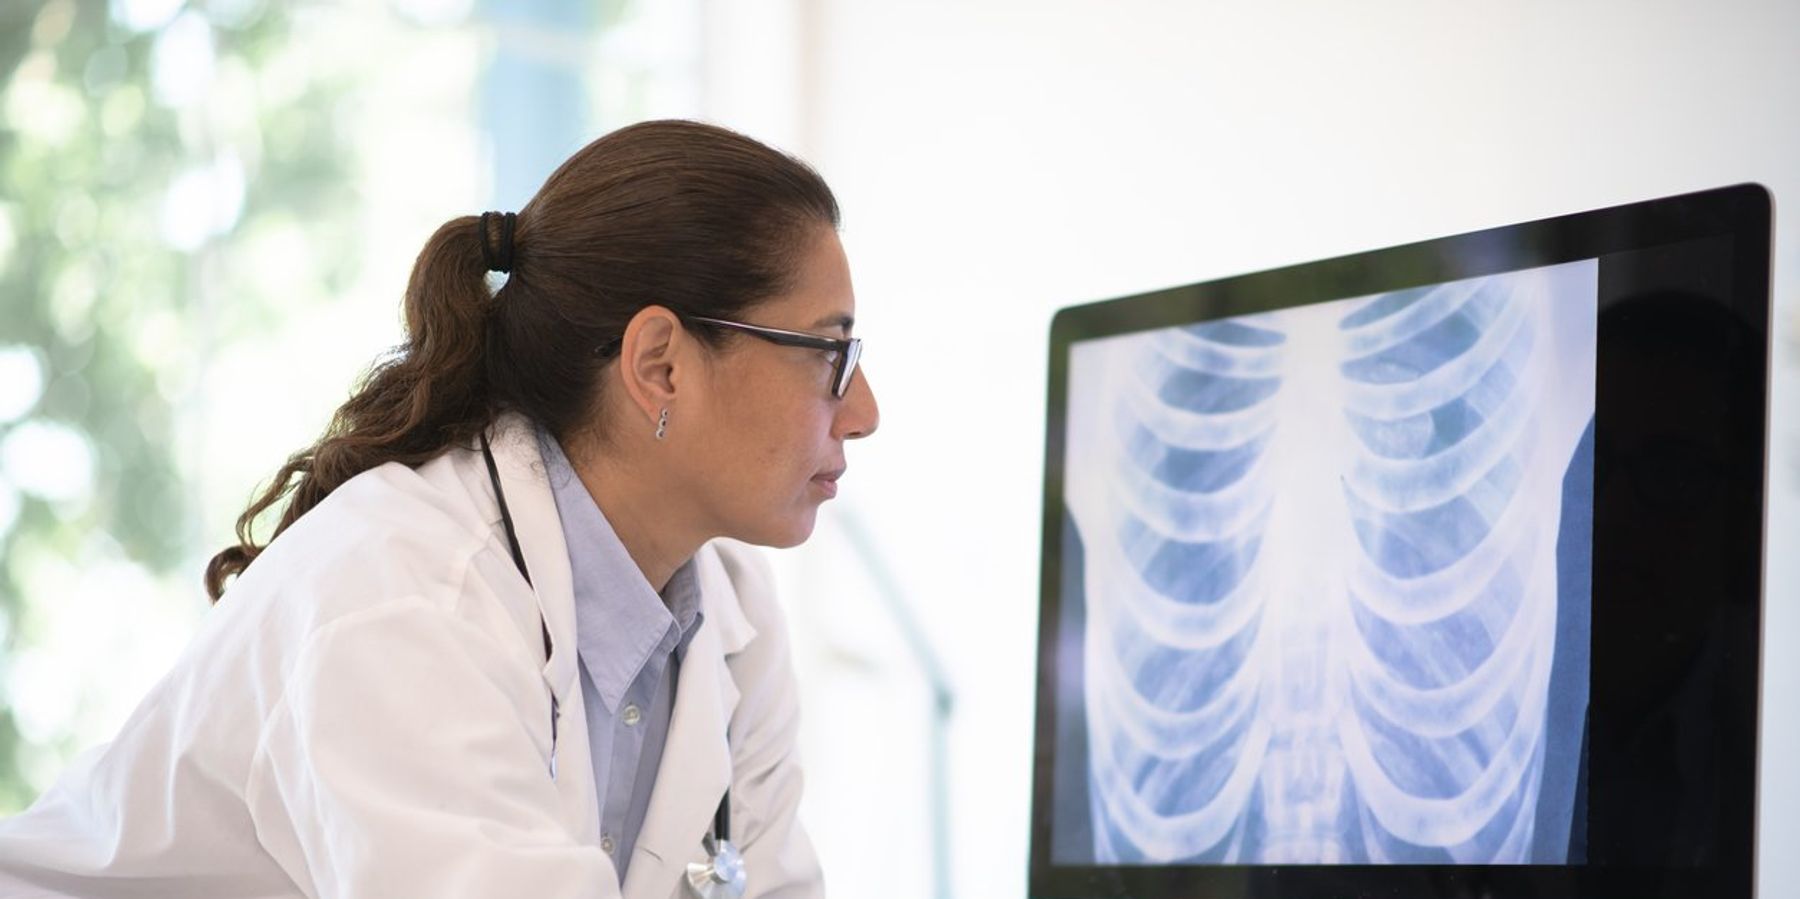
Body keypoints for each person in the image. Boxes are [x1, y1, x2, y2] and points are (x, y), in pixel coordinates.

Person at [0, 119, 878, 899]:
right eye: (830, 354)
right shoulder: (403, 596)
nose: (865, 410)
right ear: (660, 364)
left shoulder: (730, 617)